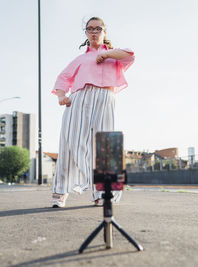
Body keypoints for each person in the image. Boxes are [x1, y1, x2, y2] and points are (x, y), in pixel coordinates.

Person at [51, 17, 135, 208]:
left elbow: (130, 54)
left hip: (106, 98)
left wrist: (106, 55)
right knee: (69, 142)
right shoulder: (80, 59)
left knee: (106, 144)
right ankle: (60, 191)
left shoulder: (114, 55)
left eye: (98, 28)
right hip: (80, 98)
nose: (94, 32)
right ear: (86, 33)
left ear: (105, 31)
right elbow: (62, 79)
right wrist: (61, 96)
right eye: (90, 29)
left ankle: (103, 193)